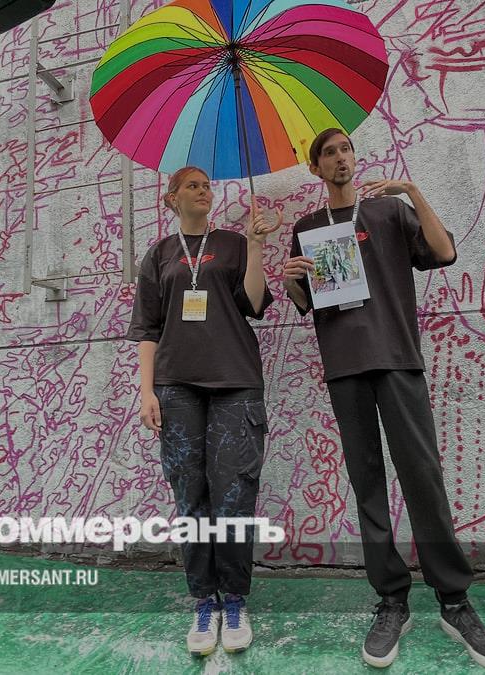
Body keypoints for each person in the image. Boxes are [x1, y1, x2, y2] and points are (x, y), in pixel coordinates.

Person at [282, 129, 485, 672]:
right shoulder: (308, 229)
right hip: (345, 366)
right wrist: (291, 278)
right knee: (367, 483)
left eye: (346, 149)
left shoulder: (388, 211)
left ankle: (454, 601)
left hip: (398, 359)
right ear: (316, 169)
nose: (341, 158)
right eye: (329, 153)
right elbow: (305, 302)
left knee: (422, 476)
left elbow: (444, 251)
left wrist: (412, 191)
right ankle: (391, 600)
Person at [128, 166, 280, 656]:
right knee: (190, 497)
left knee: (234, 496)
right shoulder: (159, 255)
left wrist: (255, 246)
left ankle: (233, 599)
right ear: (171, 198)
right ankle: (204, 601)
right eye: (192, 186)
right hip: (176, 388)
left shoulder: (232, 244)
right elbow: (147, 328)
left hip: (235, 383)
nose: (203, 191)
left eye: (207, 186)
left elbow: (254, 303)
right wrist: (147, 392)